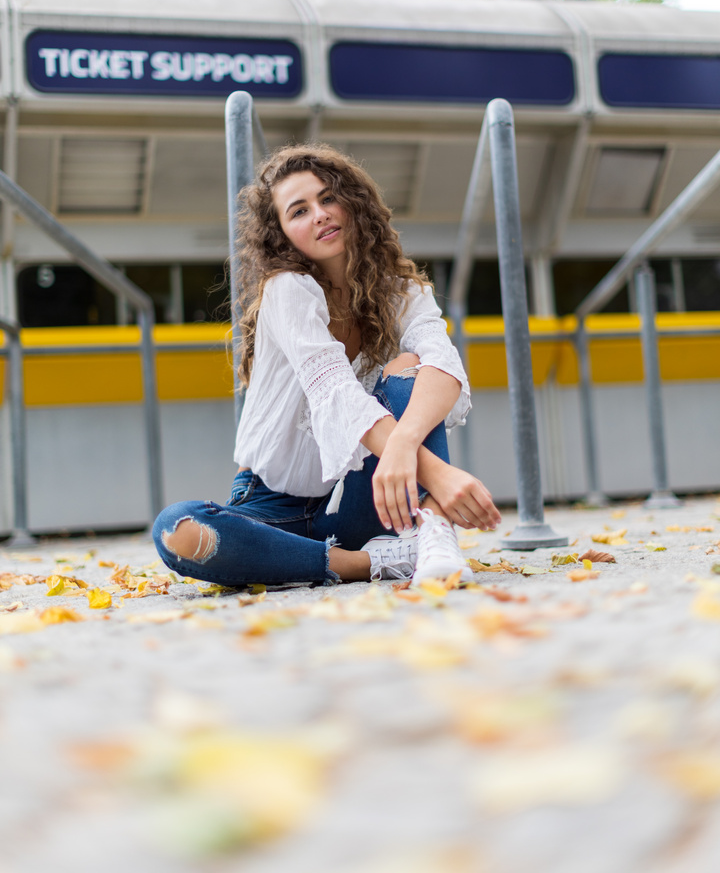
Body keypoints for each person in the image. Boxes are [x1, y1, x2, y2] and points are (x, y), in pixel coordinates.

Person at [153, 144, 501, 588]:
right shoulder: (288, 289)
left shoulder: (399, 290)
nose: (319, 214)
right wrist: (436, 472)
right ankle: (374, 562)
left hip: (361, 494)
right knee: (178, 530)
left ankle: (433, 528)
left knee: (412, 364)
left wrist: (403, 446)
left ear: (354, 203)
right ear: (281, 233)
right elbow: (333, 391)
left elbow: (444, 365)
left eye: (328, 197)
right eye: (299, 210)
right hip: (270, 509)